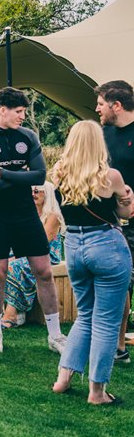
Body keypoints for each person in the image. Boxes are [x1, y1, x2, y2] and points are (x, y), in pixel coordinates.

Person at [0, 87, 65, 354]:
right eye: (19, 111)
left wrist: (3, 174)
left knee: (44, 271)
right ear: (2, 110)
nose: (23, 116)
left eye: (24, 111)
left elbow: (38, 176)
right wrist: (19, 174)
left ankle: (55, 335)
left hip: (25, 214)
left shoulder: (28, 136)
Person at [50, 120, 134, 405]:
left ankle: (63, 379)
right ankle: (97, 392)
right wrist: (128, 198)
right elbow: (126, 213)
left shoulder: (59, 174)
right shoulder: (111, 176)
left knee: (85, 315)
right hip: (107, 247)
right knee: (107, 321)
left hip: (73, 246)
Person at [0, 181, 64, 328]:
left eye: (37, 191)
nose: (33, 194)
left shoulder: (53, 215)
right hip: (25, 251)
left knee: (16, 267)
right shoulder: (29, 214)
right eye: (31, 191)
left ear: (48, 194)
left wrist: (18, 254)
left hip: (45, 254)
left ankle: (12, 315)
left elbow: (43, 241)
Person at [94, 80, 134, 364]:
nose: (97, 108)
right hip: (114, 225)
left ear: (116, 105)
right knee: (120, 285)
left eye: (100, 103)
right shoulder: (103, 134)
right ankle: (118, 347)